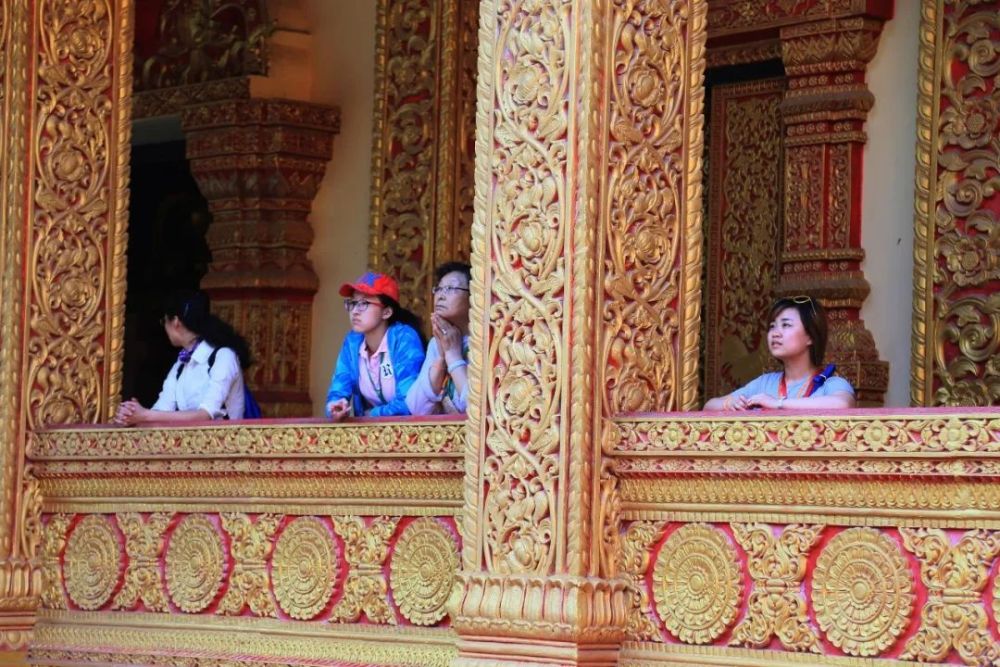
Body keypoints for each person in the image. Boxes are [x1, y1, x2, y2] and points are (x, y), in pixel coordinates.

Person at [114, 290, 252, 424]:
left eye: (164, 321)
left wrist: (145, 415)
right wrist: (132, 415)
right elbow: (161, 409)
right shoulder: (181, 363)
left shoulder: (224, 356)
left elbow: (205, 416)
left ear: (175, 321)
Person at [704, 295, 856, 411]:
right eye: (772, 326)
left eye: (786, 325)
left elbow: (842, 404)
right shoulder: (764, 383)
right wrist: (730, 403)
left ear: (810, 336)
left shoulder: (830, 383)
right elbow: (709, 406)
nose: (775, 333)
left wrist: (778, 403)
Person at [325, 271, 425, 420]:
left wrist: (372, 414)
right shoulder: (352, 341)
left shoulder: (404, 338)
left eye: (363, 304)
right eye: (352, 303)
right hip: (371, 432)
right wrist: (334, 407)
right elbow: (339, 388)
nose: (354, 311)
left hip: (409, 430)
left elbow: (409, 401)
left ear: (386, 312)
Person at [407, 262, 471, 415]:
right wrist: (441, 359)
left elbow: (476, 407)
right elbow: (416, 409)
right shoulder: (437, 342)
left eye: (451, 288)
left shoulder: (486, 340)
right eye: (439, 289)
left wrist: (453, 356)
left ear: (475, 295)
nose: (440, 296)